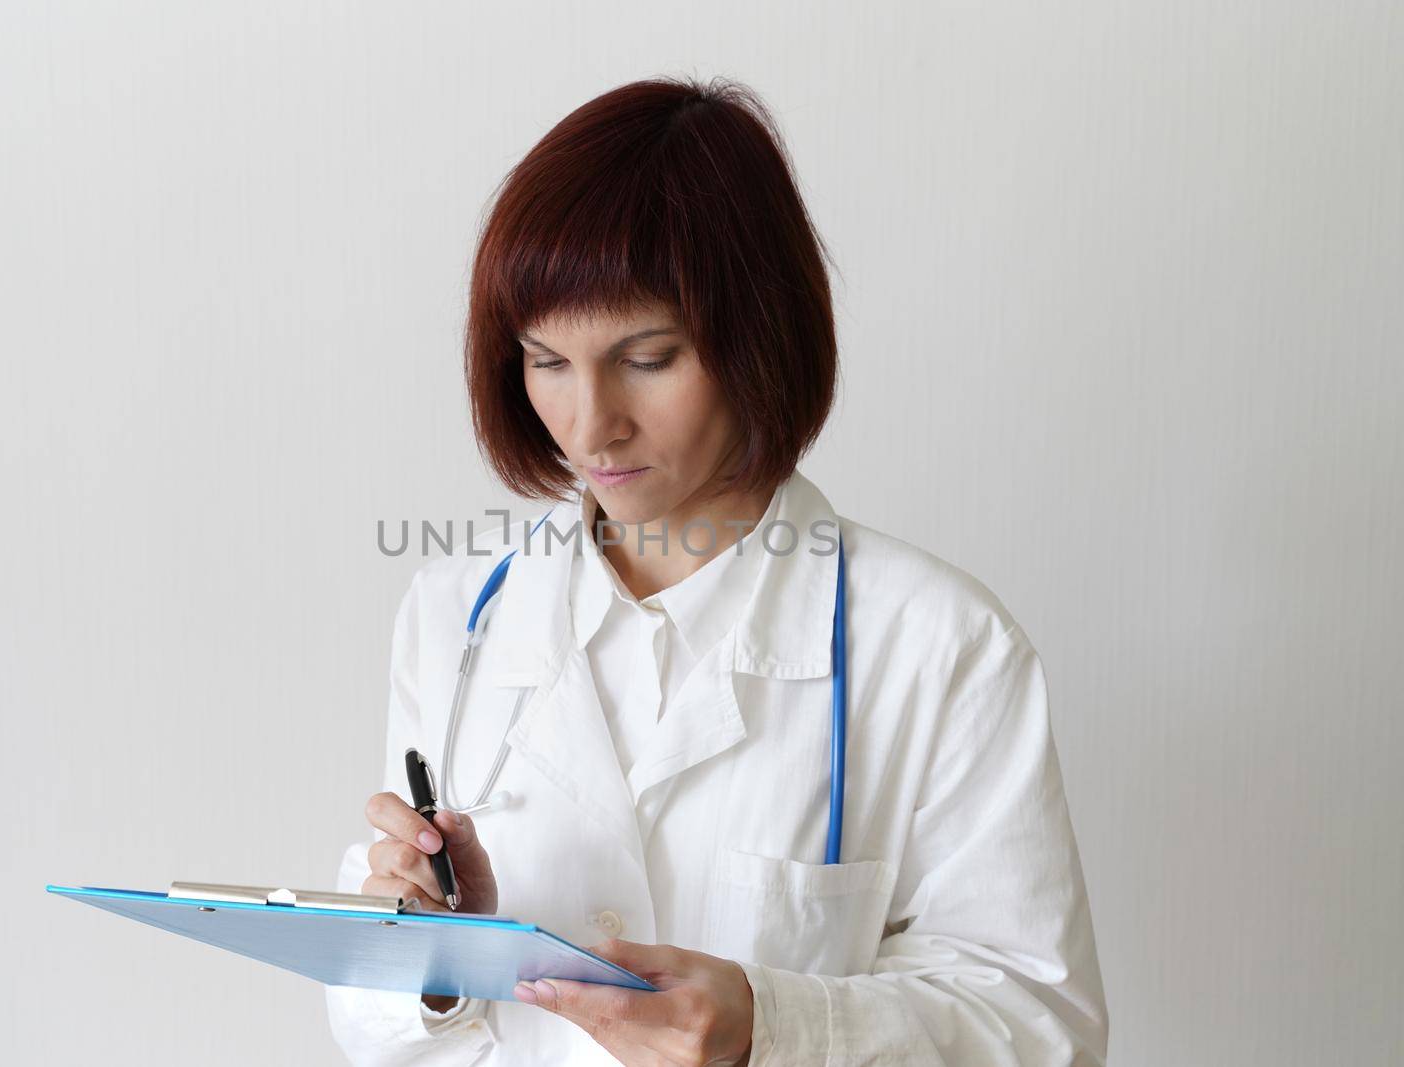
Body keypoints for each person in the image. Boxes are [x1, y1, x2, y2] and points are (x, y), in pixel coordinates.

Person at [325, 75, 1108, 1066]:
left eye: (646, 357)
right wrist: (432, 953)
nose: (589, 423)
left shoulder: (937, 643)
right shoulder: (455, 615)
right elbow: (375, 1026)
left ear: (758, 336)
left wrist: (773, 1027)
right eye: (545, 361)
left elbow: (1043, 1026)